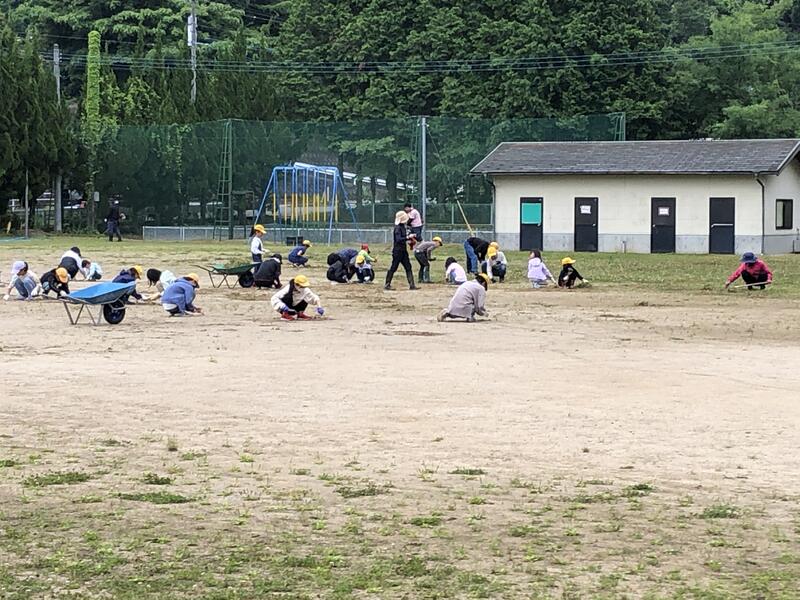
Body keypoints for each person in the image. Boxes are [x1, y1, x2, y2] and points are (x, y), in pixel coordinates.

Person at [384, 211, 417, 290]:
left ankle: (412, 285)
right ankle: (387, 284)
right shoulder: (397, 228)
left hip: (403, 250)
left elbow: (402, 239)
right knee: (394, 267)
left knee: (408, 266)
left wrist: (409, 240)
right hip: (397, 251)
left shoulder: (403, 227)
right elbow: (398, 239)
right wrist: (408, 237)